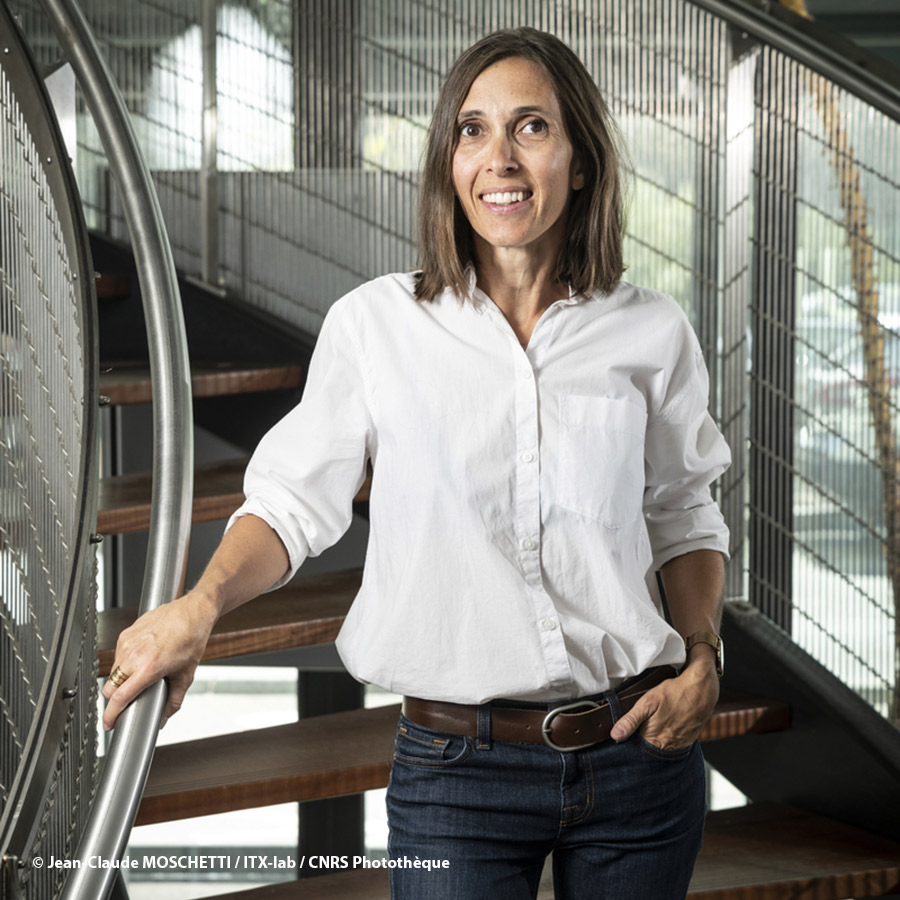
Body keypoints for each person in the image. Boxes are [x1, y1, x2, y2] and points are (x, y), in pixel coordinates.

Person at [103, 27, 730, 900]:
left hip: (640, 755)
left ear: (581, 161)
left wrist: (704, 654)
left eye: (532, 128)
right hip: (456, 776)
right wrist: (201, 608)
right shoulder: (375, 325)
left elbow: (684, 511)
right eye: (472, 131)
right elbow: (290, 503)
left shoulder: (651, 330)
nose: (499, 158)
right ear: (447, 161)